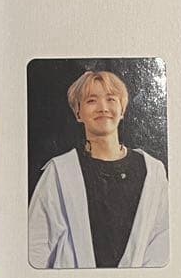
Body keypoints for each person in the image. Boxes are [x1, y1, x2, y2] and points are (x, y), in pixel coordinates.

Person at [28, 70, 169, 268]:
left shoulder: (152, 171)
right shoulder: (60, 172)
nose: (103, 108)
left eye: (111, 99)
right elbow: (36, 246)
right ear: (78, 113)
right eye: (91, 101)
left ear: (122, 109)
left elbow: (162, 239)